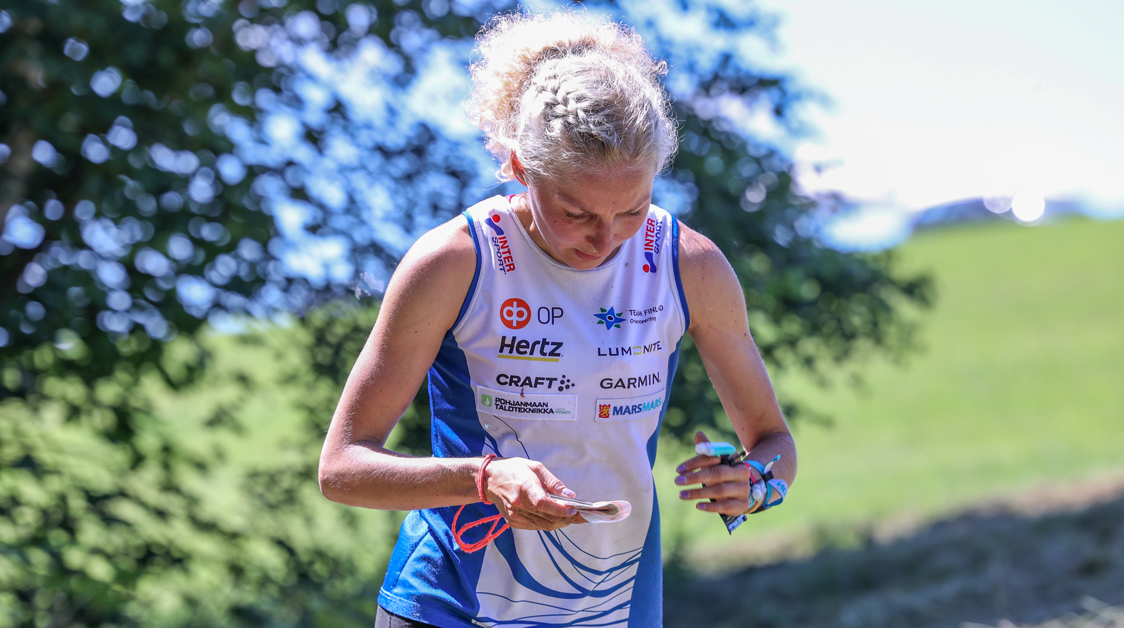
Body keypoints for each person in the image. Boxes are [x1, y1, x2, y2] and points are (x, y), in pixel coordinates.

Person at [318, 10, 796, 628]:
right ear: (520, 167)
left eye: (632, 209)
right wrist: (485, 479)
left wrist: (753, 485)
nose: (606, 240)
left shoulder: (689, 265)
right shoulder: (455, 261)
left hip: (616, 609)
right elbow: (342, 469)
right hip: (450, 606)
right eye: (576, 213)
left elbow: (774, 445)